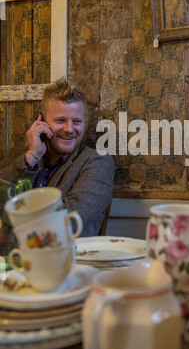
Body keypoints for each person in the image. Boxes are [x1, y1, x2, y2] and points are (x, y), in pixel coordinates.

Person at [0, 78, 115, 237]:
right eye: (60, 120)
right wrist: (32, 156)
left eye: (77, 121)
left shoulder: (98, 162)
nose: (69, 129)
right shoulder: (19, 157)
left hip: (67, 259)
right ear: (41, 121)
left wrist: (14, 215)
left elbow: (72, 221)